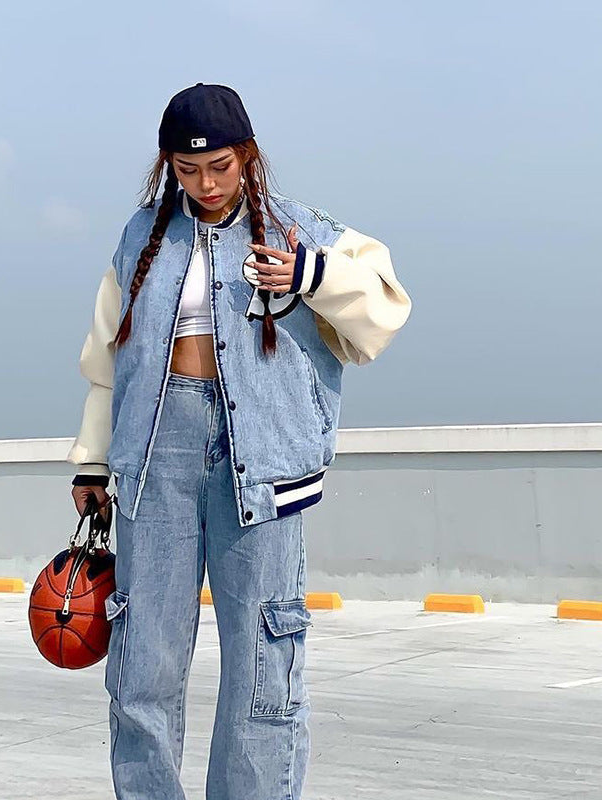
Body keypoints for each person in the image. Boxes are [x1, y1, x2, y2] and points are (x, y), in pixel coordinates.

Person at [67, 82, 412, 800]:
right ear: (168, 167)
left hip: (260, 462)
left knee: (262, 661)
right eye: (188, 170)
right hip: (155, 452)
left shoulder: (296, 227)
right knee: (142, 661)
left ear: (247, 154)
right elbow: (110, 358)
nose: (206, 184)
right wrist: (92, 462)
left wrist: (312, 275)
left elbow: (383, 309)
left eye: (220, 166)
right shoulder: (142, 235)